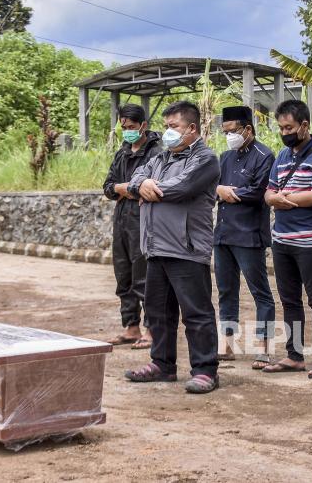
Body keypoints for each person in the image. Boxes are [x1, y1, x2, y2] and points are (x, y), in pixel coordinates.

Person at [124, 101, 222, 394]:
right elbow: (136, 179)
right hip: (155, 248)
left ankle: (206, 370)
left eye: (173, 127)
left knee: (196, 313)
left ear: (191, 128)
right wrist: (140, 187)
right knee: (157, 311)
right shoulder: (161, 158)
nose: (167, 132)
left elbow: (182, 187)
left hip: (186, 248)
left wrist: (149, 190)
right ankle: (162, 365)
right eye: (165, 126)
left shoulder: (205, 158)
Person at [262, 100, 312, 379]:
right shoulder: (281, 156)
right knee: (289, 300)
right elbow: (269, 194)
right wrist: (277, 199)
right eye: (281, 128)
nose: (284, 132)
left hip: (311, 240)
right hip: (281, 240)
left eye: (289, 127)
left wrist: (283, 199)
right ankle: (294, 355)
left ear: (305, 125)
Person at [213, 105, 276, 369]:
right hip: (223, 233)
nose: (229, 136)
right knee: (226, 291)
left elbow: (260, 190)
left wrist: (228, 192)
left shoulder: (264, 155)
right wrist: (218, 189)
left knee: (260, 291)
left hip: (249, 234)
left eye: (233, 131)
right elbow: (211, 185)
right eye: (225, 131)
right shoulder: (224, 157)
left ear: (248, 129)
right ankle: (226, 345)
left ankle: (264, 348)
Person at [102, 104, 163, 350]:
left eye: (132, 127)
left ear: (143, 126)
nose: (127, 132)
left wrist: (125, 188)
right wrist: (124, 189)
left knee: (145, 278)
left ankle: (151, 329)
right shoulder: (121, 154)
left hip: (145, 225)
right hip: (121, 224)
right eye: (124, 128)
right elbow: (108, 187)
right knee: (123, 277)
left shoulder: (157, 153)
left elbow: (153, 188)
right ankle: (131, 327)